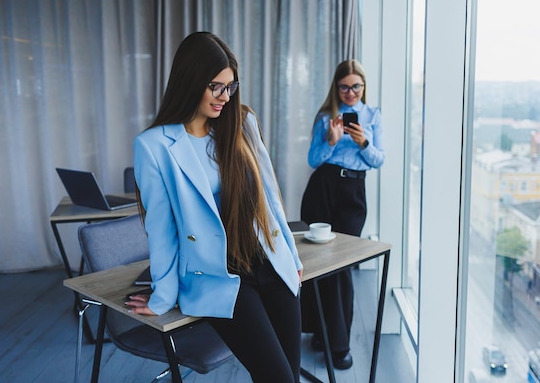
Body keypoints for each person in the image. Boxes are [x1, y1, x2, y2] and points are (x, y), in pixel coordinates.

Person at [126, 32, 304, 383]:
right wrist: (162, 296)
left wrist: (292, 257)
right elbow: (161, 229)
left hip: (269, 259)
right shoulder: (154, 146)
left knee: (289, 376)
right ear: (190, 81)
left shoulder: (242, 124)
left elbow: (270, 198)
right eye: (215, 87)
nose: (225, 97)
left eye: (230, 87)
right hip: (220, 275)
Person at [300, 59, 384, 370]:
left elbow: (379, 160)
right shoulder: (325, 118)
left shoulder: (373, 116)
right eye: (344, 87)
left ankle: (340, 344)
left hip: (353, 195)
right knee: (316, 262)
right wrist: (330, 142)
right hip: (322, 189)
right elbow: (313, 160)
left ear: (364, 86)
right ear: (336, 87)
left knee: (342, 266)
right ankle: (319, 333)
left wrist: (364, 143)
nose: (350, 92)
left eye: (356, 86)